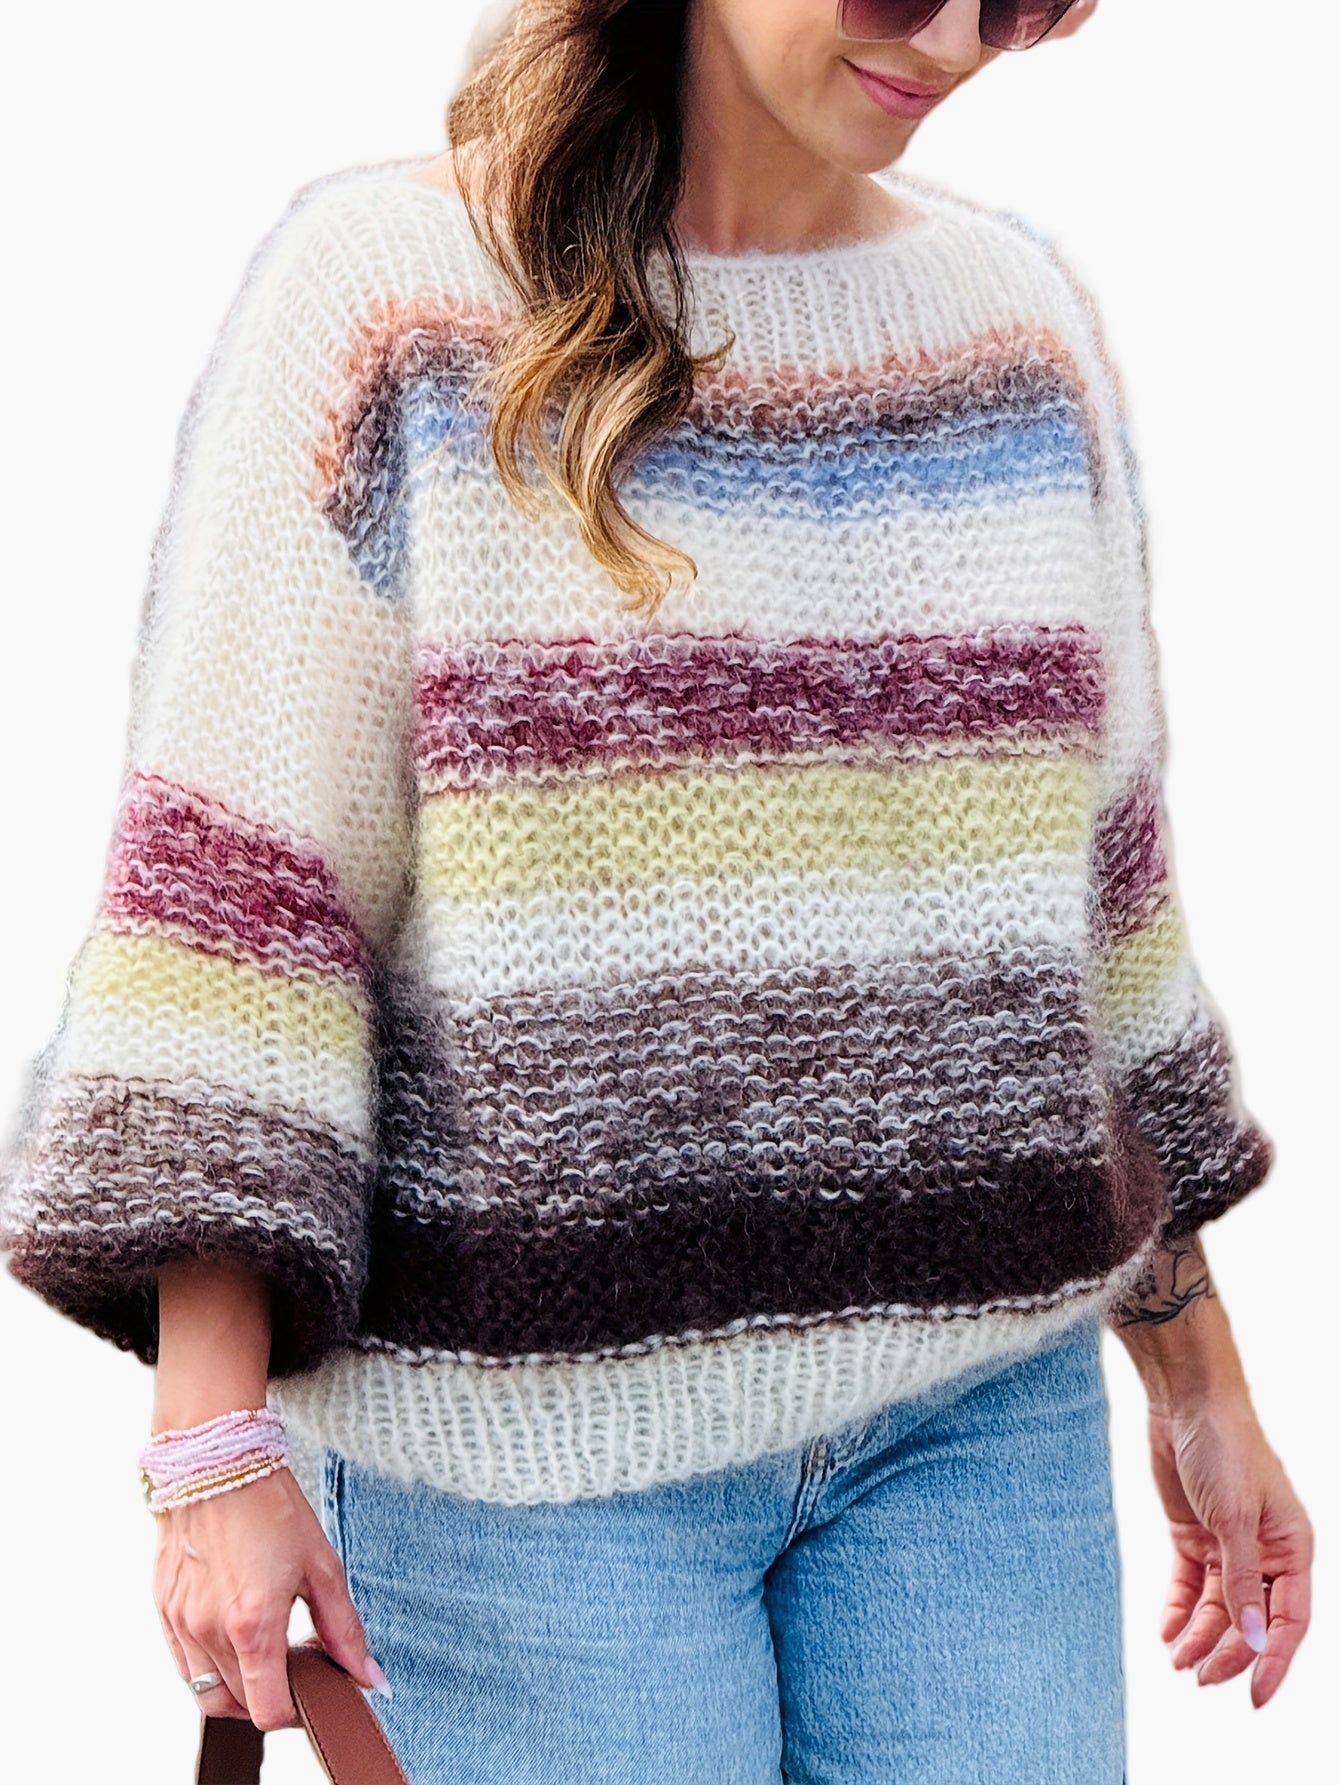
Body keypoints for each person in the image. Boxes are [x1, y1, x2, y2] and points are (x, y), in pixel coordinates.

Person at [0, 2, 1313, 1779]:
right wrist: (209, 1446)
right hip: (525, 1474)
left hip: (976, 1428)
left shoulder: (1017, 330)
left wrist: (1200, 1375)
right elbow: (243, 915)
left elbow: (1098, 922)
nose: (953, 40)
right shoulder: (397, 302)